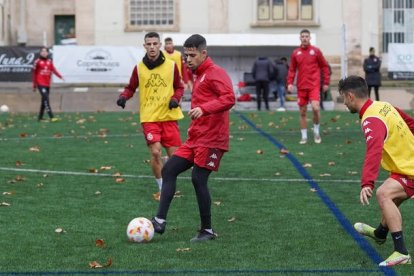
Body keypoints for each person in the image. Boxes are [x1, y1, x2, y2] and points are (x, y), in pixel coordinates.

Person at [151, 34, 235, 242]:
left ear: (203, 53)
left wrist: (204, 109)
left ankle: (206, 230)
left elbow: (229, 98)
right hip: (196, 139)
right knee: (169, 169)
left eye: (192, 55)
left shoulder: (216, 73)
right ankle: (159, 220)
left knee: (198, 178)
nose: (188, 59)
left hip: (213, 140)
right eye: (186, 55)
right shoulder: (199, 75)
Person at [338, 75, 414, 267]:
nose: (344, 103)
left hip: (410, 169)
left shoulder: (371, 119)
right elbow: (410, 123)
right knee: (394, 196)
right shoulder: (383, 105)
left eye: (343, 98)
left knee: (384, 194)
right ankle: (380, 233)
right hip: (404, 168)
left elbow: (374, 150)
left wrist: (367, 183)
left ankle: (401, 252)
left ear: (350, 96)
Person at [116, 32, 184, 201]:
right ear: (144, 46)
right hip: (149, 118)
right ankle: (163, 188)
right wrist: (124, 96)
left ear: (159, 45)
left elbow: (179, 87)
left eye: (155, 43)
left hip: (168, 116)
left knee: (175, 158)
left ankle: (168, 173)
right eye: (149, 44)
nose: (152, 47)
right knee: (155, 152)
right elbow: (131, 87)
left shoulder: (171, 66)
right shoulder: (139, 68)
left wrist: (175, 99)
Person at [287, 29, 330, 144]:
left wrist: (326, 82)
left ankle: (316, 132)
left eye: (307, 36)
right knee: (302, 112)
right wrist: (290, 83)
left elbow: (324, 67)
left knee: (316, 108)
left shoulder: (316, 51)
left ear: (310, 38)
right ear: (300, 38)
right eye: (303, 36)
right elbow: (292, 69)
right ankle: (304, 136)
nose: (305, 38)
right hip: (301, 87)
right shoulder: (296, 53)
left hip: (314, 86)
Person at [32, 47, 64, 122]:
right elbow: (34, 74)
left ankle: (40, 117)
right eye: (42, 51)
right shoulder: (37, 61)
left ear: (47, 53)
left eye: (45, 51)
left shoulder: (49, 61)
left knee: (44, 101)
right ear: (40, 53)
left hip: (47, 84)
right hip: (40, 83)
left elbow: (53, 70)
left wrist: (60, 76)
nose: (43, 52)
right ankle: (51, 116)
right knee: (46, 98)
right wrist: (34, 85)